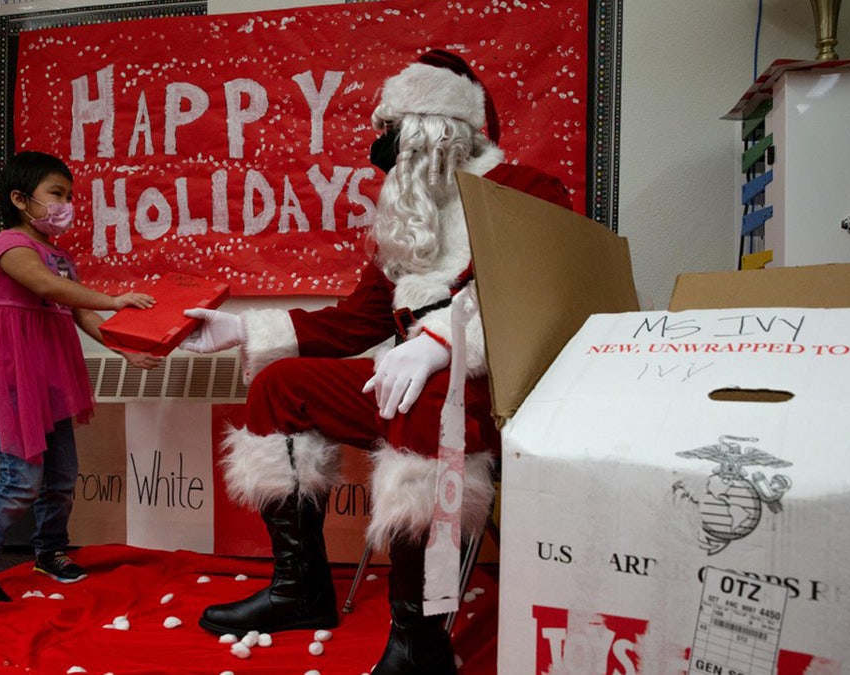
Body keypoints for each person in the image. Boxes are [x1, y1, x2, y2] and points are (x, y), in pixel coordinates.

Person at [181, 51, 572, 674]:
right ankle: (299, 589)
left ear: (435, 128)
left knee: (427, 401)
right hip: (415, 389)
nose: (380, 147)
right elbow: (357, 320)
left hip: (500, 392)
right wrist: (238, 329)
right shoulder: (412, 220)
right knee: (281, 386)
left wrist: (442, 342)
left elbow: (545, 291)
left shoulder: (528, 190)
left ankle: (419, 639)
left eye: (390, 132)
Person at [0, 151, 162, 604]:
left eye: (69, 196)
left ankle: (50, 551)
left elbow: (76, 309)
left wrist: (124, 350)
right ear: (20, 199)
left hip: (53, 373)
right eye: (55, 194)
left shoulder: (60, 255)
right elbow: (46, 287)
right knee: (21, 479)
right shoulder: (9, 245)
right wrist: (115, 299)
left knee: (61, 476)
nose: (65, 205)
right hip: (15, 371)